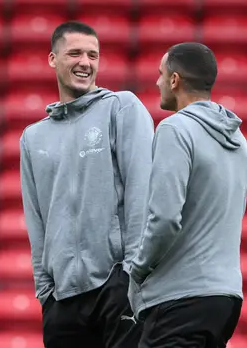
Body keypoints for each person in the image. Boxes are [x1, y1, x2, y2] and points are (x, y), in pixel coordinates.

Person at [19, 21, 153, 348]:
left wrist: (131, 275)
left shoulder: (121, 108)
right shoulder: (33, 137)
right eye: (75, 53)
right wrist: (45, 291)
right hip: (62, 299)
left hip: (116, 286)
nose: (85, 63)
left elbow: (142, 194)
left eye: (93, 55)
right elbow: (36, 218)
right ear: (53, 59)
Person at [128, 42, 247, 348]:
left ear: (175, 80)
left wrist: (138, 270)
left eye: (160, 74)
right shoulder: (238, 139)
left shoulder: (175, 129)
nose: (157, 82)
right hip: (224, 299)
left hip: (180, 299)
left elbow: (166, 218)